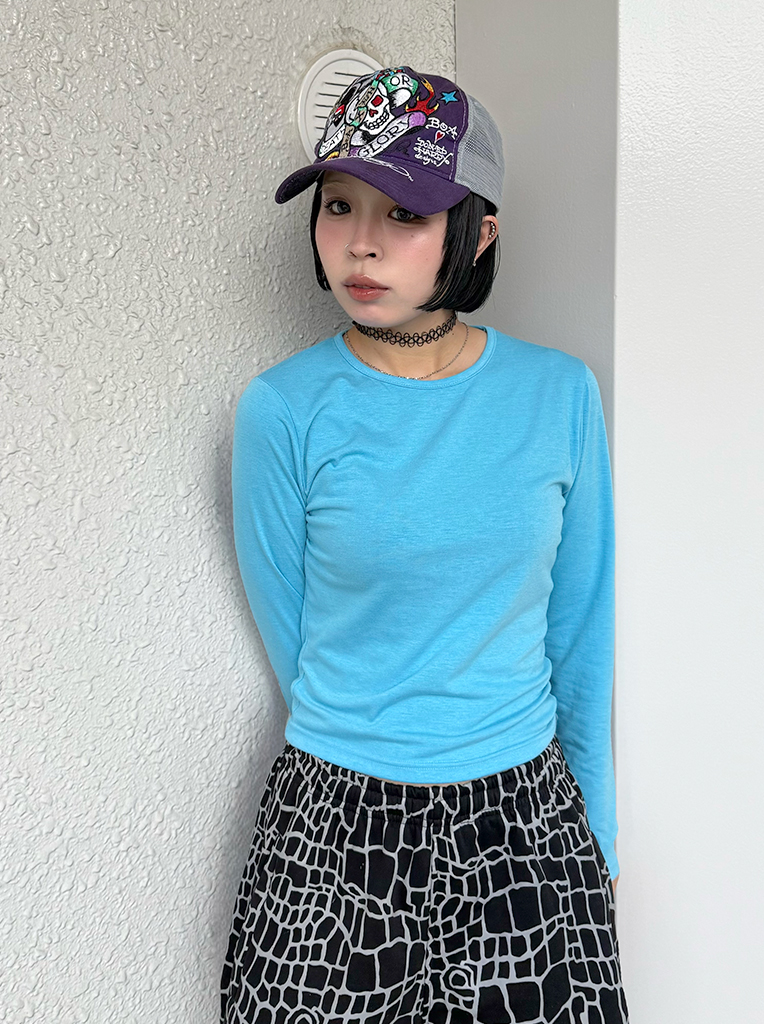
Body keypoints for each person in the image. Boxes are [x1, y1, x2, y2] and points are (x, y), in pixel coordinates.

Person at [221, 65, 629, 1024]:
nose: (361, 242)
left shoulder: (559, 395)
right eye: (339, 205)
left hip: (525, 822)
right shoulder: (283, 410)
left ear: (477, 233)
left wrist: (597, 835)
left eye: (405, 212)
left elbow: (580, 628)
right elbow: (296, 635)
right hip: (335, 820)